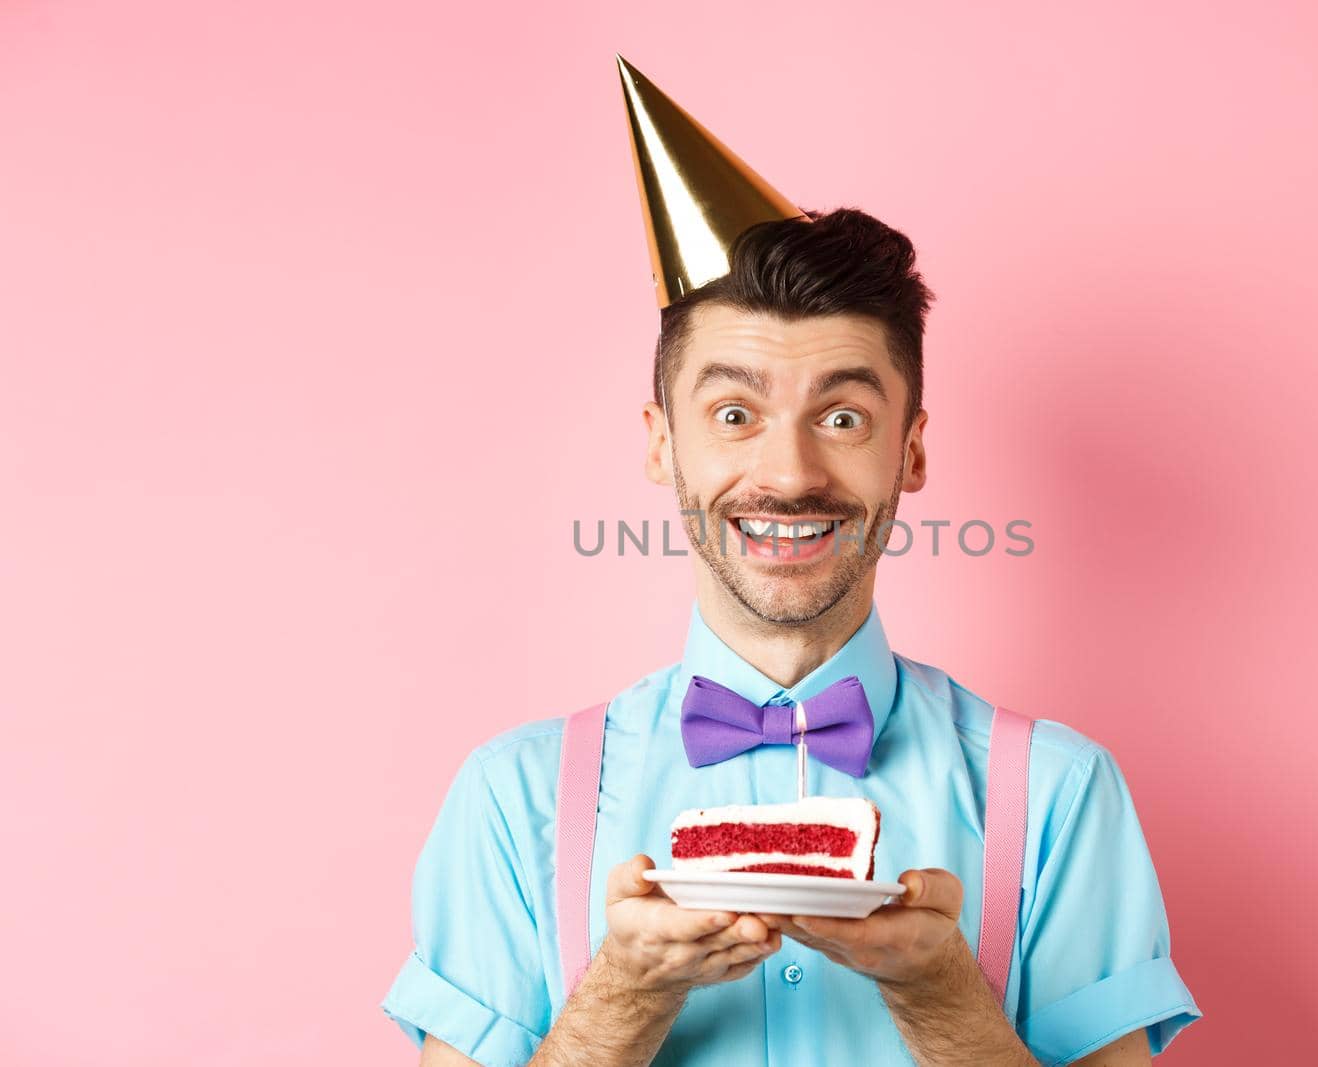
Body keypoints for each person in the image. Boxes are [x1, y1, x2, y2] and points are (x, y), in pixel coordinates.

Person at [380, 55, 1201, 1067]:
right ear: (659, 442)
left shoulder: (1061, 790)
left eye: (843, 415)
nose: (789, 470)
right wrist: (624, 998)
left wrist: (942, 995)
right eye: (734, 413)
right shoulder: (516, 797)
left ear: (909, 448)